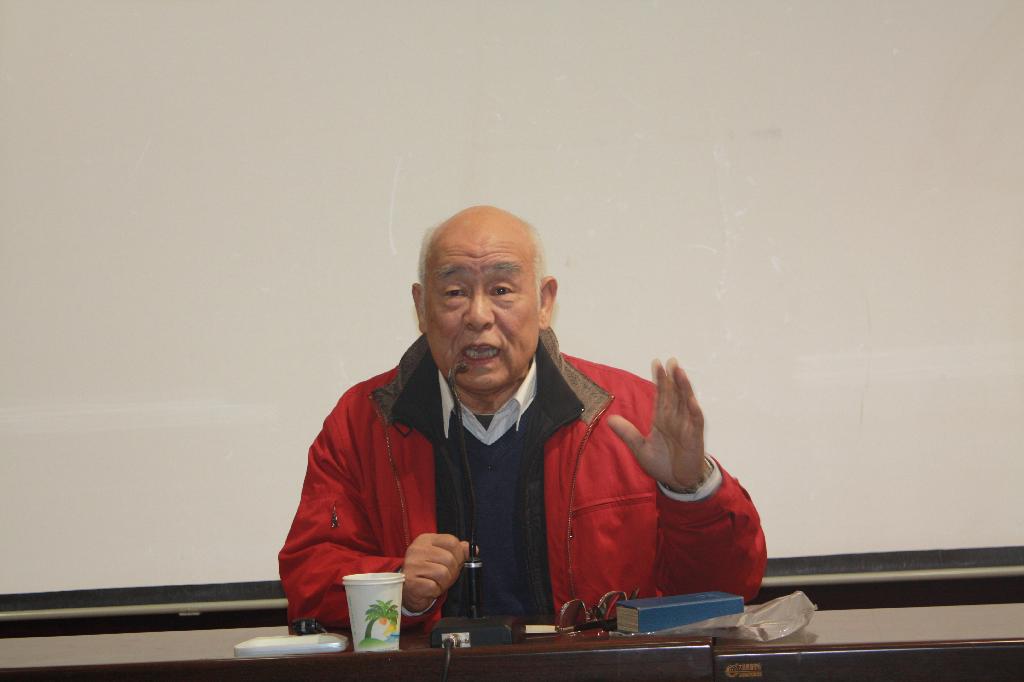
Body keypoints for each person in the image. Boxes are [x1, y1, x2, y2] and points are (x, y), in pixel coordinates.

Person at [279, 205, 766, 627]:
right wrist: (395, 589)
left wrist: (691, 492)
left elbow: (728, 590)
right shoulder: (364, 423)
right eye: (454, 293)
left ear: (545, 302)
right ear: (421, 308)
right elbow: (308, 579)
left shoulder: (629, 416)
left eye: (502, 289)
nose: (478, 315)